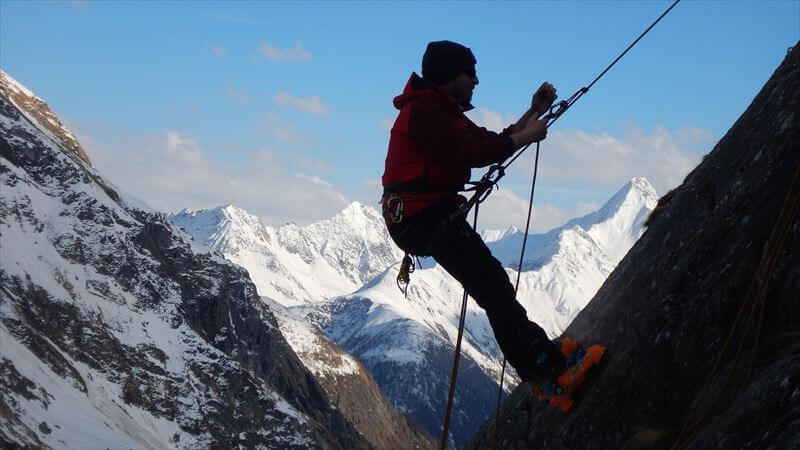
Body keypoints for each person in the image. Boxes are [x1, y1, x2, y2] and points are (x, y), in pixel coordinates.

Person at [381, 40, 581, 395]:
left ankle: (540, 355)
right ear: (449, 75)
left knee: (492, 284)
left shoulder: (441, 110)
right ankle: (543, 367)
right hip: (422, 217)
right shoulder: (428, 111)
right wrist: (524, 137)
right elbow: (473, 152)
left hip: (423, 215)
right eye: (469, 72)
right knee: (492, 286)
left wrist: (531, 114)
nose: (476, 80)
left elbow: (490, 140)